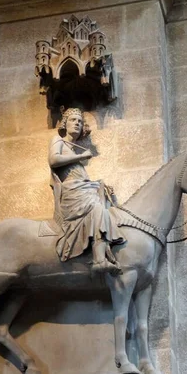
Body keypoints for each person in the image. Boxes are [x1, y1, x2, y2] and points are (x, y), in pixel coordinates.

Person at [48, 108, 125, 275]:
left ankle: (104, 252)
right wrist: (80, 157)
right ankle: (99, 261)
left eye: (80, 121)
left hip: (82, 190)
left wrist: (98, 185)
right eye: (73, 120)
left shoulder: (72, 148)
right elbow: (53, 160)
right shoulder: (59, 141)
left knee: (104, 209)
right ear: (65, 123)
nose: (77, 123)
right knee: (98, 209)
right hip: (72, 193)